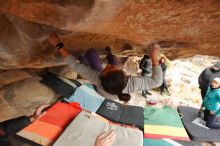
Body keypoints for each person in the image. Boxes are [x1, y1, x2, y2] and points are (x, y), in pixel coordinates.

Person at [48, 33, 163, 102]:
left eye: (106, 69)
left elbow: (74, 65)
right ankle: (110, 54)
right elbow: (157, 81)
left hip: (102, 92)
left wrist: (58, 44)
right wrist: (154, 56)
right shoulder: (133, 83)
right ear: (123, 73)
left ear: (101, 76)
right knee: (113, 60)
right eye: (111, 68)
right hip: (111, 90)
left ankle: (85, 60)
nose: (107, 65)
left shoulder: (97, 79)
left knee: (92, 54)